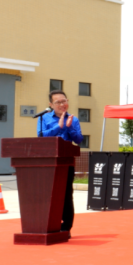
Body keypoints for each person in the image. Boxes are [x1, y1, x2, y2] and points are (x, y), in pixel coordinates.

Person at [37, 90, 83, 236]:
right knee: (48, 194)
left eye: (64, 101)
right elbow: (41, 136)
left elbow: (79, 139)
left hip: (66, 161)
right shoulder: (43, 117)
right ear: (51, 104)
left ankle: (66, 227)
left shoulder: (73, 119)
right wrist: (59, 126)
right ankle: (50, 223)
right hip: (48, 162)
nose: (62, 104)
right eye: (58, 102)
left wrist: (69, 127)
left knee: (66, 194)